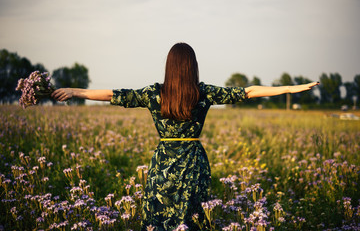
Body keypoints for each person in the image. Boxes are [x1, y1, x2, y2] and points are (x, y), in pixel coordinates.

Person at [52, 42, 319, 230]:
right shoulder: (202, 92)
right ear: (192, 66)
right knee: (192, 219)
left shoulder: (154, 93)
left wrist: (76, 91)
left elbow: (113, 95)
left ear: (170, 66)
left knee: (159, 222)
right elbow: (247, 92)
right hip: (194, 163)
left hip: (163, 165)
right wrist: (291, 88)